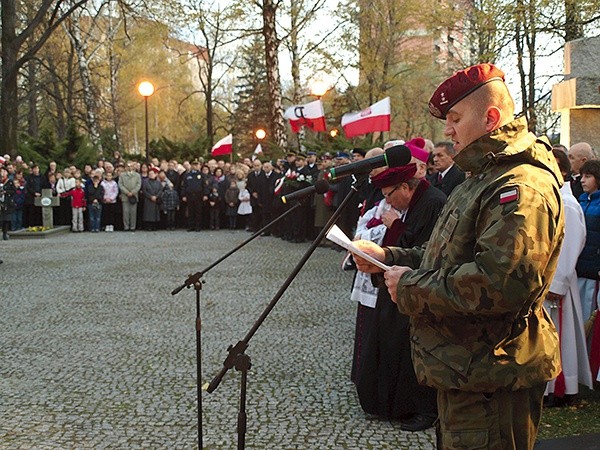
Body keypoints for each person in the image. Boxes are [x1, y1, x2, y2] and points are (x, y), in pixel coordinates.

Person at [352, 63, 564, 449]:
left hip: (494, 373)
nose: (447, 131)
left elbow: (501, 283)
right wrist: (386, 254)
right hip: (466, 368)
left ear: (491, 117)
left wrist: (411, 286)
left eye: (455, 118)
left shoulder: (518, 185)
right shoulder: (482, 176)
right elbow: (446, 258)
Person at [356, 163, 445, 429]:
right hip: (402, 281)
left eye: (389, 195)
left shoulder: (432, 204)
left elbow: (426, 252)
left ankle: (421, 408)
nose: (387, 202)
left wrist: (394, 231)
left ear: (406, 187)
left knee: (411, 350)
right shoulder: (414, 203)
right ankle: (390, 402)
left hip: (420, 286)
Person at [543, 149, 593, 407]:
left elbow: (570, 245)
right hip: (546, 279)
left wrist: (556, 284)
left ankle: (560, 387)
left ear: (561, 170)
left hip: (557, 283)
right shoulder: (552, 198)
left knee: (559, 337)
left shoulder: (568, 205)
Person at [576, 159, 600, 382]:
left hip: (593, 271)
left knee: (589, 318)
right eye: (582, 176)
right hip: (578, 268)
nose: (582, 180)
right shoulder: (581, 201)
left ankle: (589, 369)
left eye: (588, 176)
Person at [118, 161, 142, 232]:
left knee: (133, 212)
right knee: (125, 212)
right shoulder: (122, 175)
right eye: (128, 166)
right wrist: (126, 192)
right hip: (125, 196)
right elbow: (120, 184)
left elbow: (138, 185)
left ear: (133, 167)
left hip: (134, 196)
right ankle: (126, 226)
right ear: (125, 167)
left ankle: (132, 227)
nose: (129, 167)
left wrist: (133, 192)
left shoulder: (137, 175)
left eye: (131, 166)